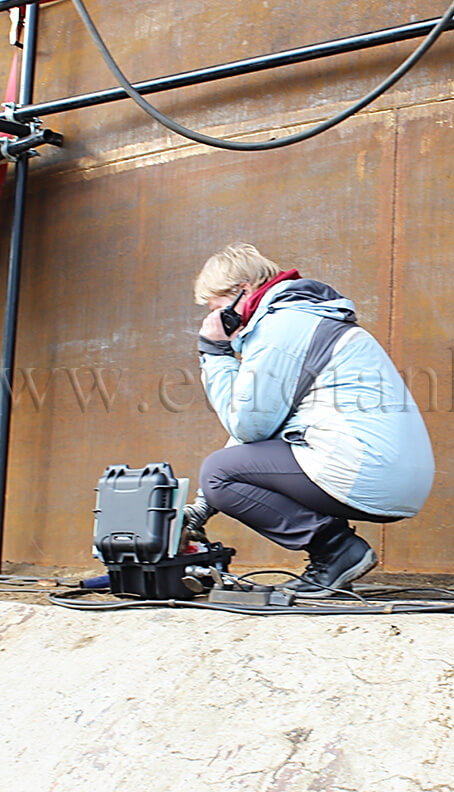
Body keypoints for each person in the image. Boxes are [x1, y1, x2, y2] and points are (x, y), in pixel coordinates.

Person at [183, 243, 434, 597]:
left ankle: (337, 551)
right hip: (390, 472)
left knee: (218, 474)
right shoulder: (298, 318)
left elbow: (246, 426)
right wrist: (203, 506)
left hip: (370, 468)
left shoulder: (280, 329)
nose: (214, 320)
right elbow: (258, 431)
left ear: (242, 292)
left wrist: (215, 353)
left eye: (217, 309)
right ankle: (336, 551)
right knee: (221, 473)